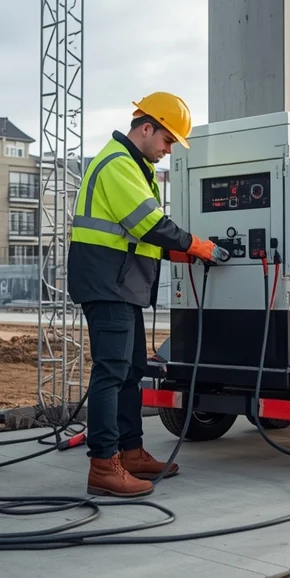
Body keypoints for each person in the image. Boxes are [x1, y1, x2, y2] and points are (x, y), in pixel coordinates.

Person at [67, 91, 223, 498]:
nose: (169, 151)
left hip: (122, 284)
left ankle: (131, 451)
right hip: (108, 284)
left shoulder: (135, 167)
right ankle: (104, 466)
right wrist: (196, 246)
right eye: (168, 141)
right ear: (146, 127)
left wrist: (181, 252)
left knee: (132, 370)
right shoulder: (119, 164)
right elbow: (148, 223)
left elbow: (136, 233)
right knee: (112, 372)